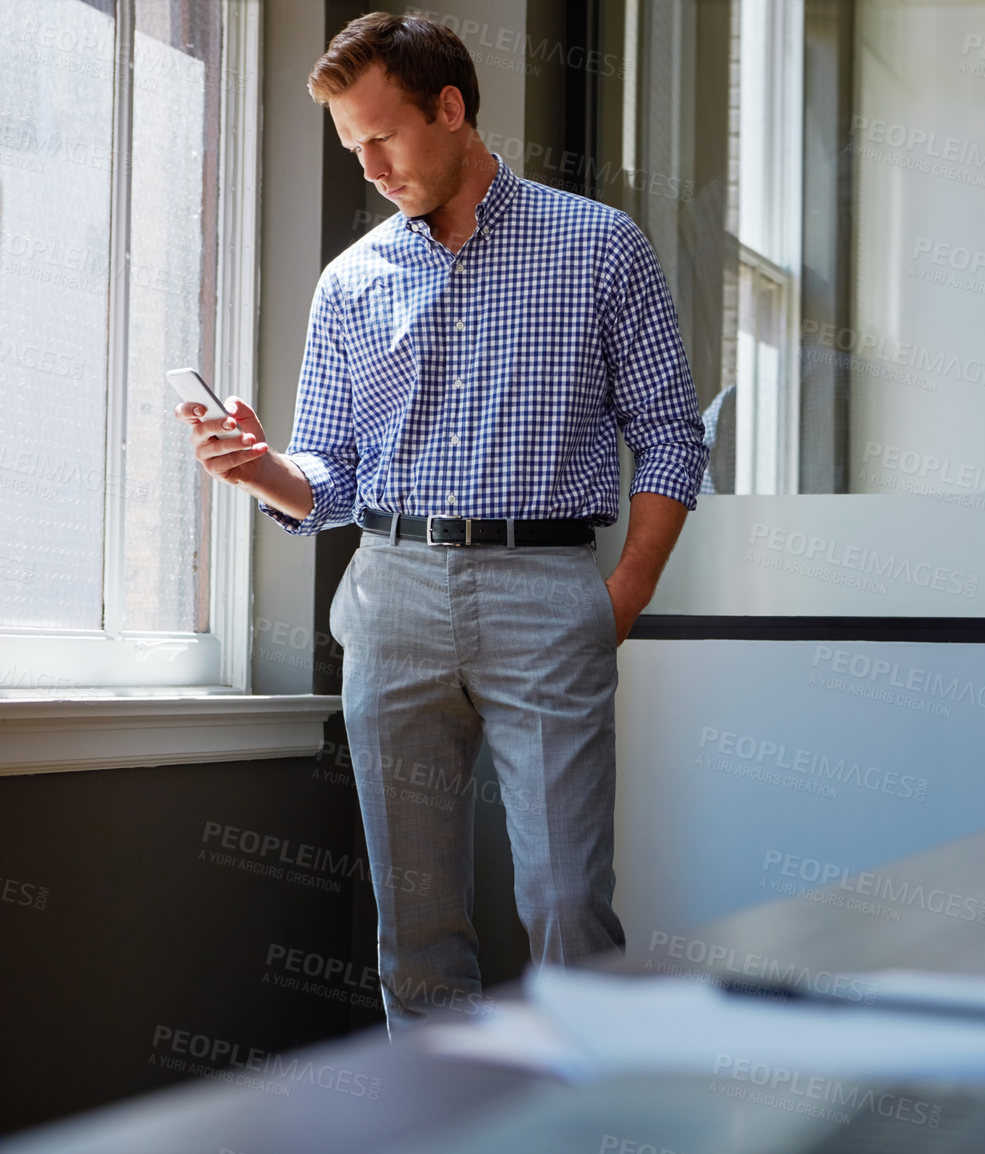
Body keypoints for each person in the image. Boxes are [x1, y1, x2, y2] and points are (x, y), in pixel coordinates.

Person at [176, 12, 706, 1034]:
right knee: (415, 928)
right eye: (351, 148)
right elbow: (329, 477)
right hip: (392, 595)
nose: (369, 167)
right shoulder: (349, 282)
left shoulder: (599, 247)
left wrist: (620, 597)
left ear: (451, 109)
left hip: (547, 591)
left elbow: (671, 440)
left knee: (564, 905)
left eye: (383, 138)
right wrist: (263, 468)